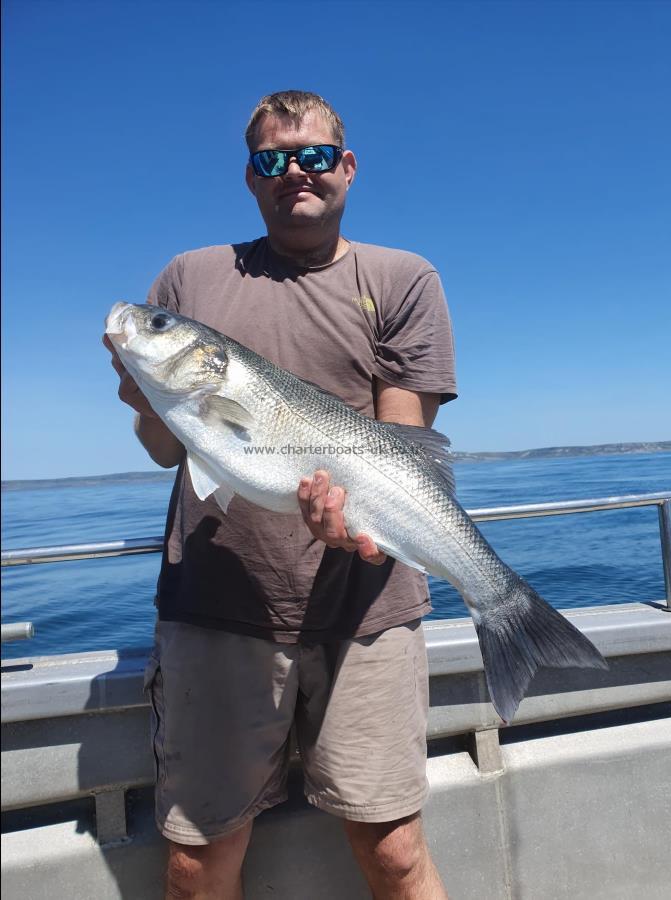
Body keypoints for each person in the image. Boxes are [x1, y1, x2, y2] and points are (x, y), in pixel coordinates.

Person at [105, 90, 457, 899]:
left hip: (367, 606)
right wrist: (144, 391)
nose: (294, 171)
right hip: (216, 607)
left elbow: (400, 443)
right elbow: (169, 451)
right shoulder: (190, 276)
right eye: (271, 159)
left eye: (312, 155)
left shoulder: (403, 278)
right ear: (250, 176)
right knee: (197, 862)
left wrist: (356, 518)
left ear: (347, 166)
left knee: (396, 851)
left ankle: (506, 607)